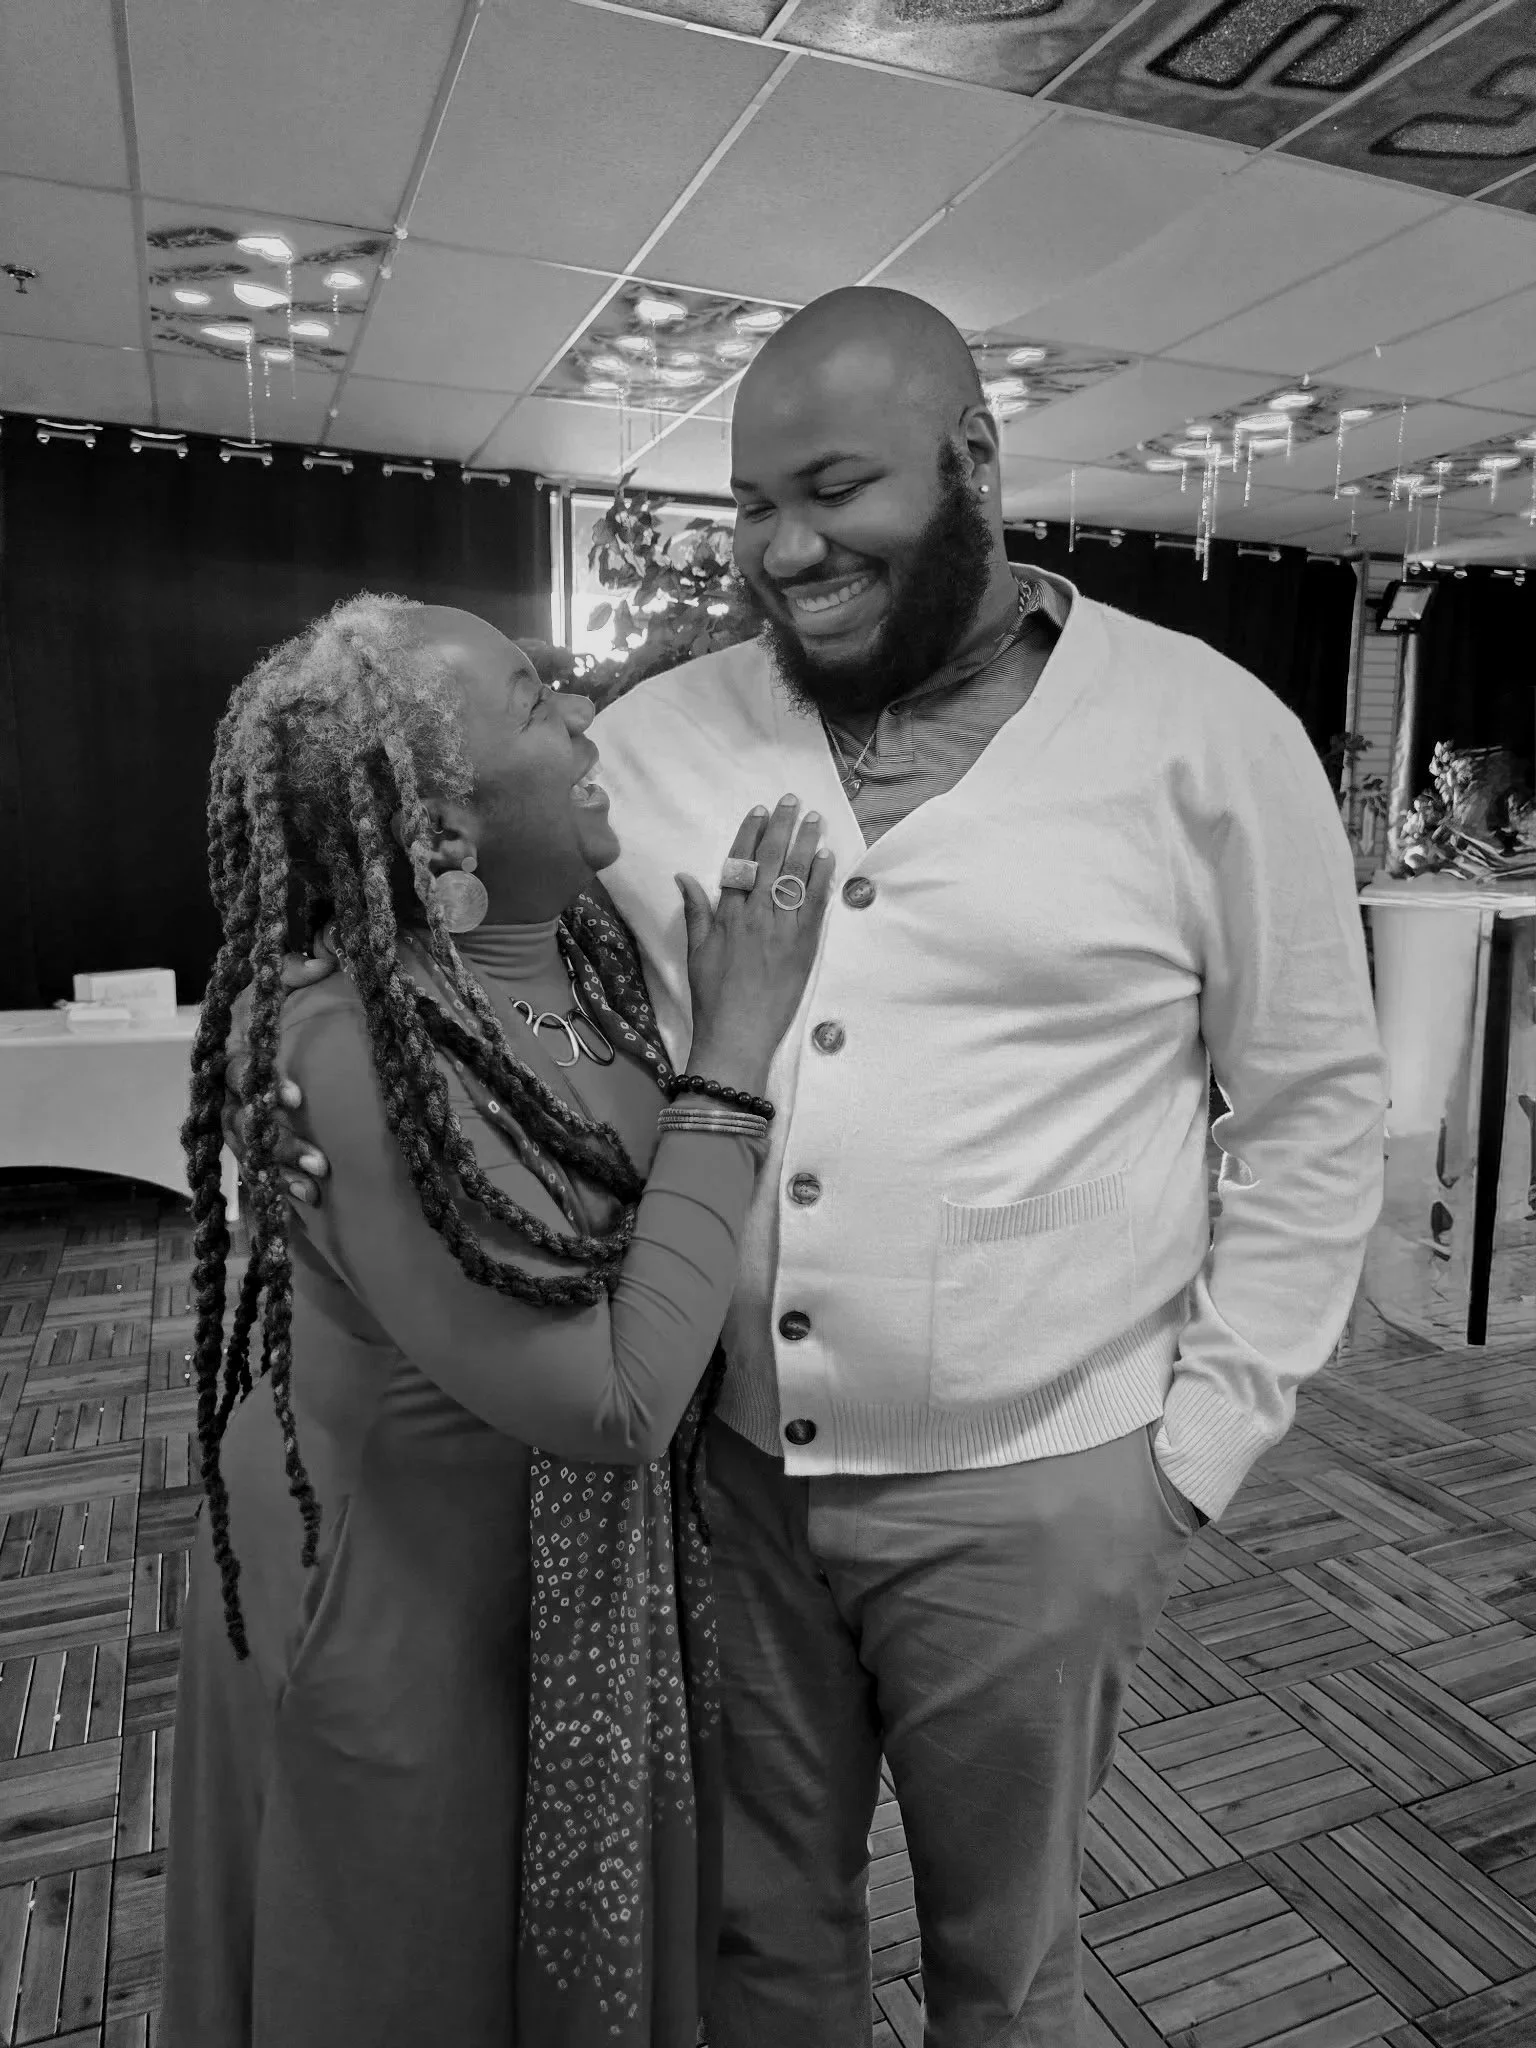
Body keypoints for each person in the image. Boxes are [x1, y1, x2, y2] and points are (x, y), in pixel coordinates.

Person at [243, 287, 1389, 2046]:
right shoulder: (656, 733)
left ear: (975, 463)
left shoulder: (1206, 733)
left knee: (1005, 1970)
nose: (784, 549)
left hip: (1039, 1485)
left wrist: (1192, 1457)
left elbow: (1313, 1113)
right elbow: (453, 920)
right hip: (724, 1485)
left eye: (835, 490)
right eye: (750, 506)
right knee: (761, 1948)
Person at [169, 592, 835, 2048]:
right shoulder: (346, 1038)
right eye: (540, 705)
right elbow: (611, 1406)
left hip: (551, 1596)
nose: (590, 720)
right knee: (411, 1975)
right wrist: (735, 1049)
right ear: (439, 827)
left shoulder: (572, 950)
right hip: (402, 1618)